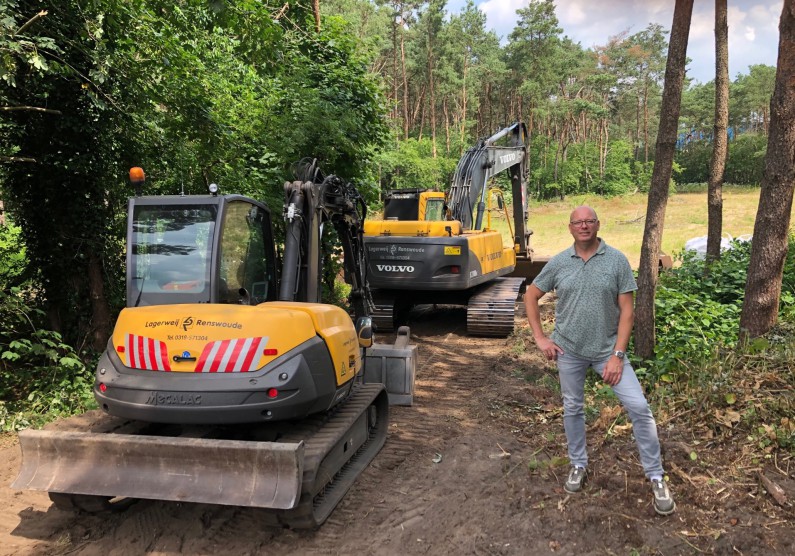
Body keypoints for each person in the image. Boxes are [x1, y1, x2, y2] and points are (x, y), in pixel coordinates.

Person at [524, 205, 675, 516]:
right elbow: (530, 295)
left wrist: (618, 356)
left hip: (608, 351)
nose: (584, 226)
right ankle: (578, 464)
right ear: (570, 228)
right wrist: (540, 338)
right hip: (568, 351)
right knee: (573, 407)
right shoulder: (559, 263)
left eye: (589, 221)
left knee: (639, 408)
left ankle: (656, 476)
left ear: (597, 225)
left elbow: (628, 313)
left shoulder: (616, 260)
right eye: (578, 222)